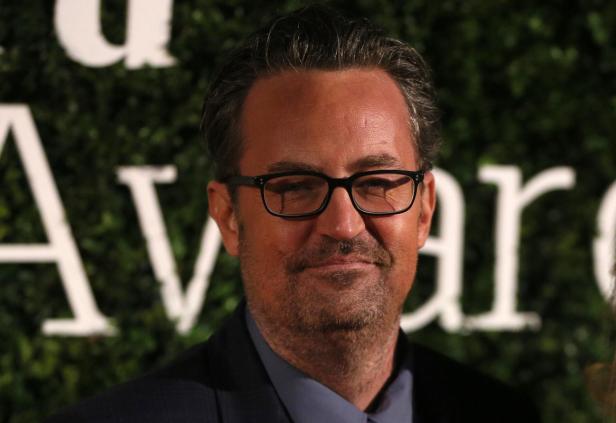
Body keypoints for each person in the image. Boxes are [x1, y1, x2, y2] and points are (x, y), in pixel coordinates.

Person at [48, 5, 539, 422]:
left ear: (425, 209)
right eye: (296, 187)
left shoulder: (504, 414)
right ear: (228, 217)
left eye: (376, 183)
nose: (343, 225)